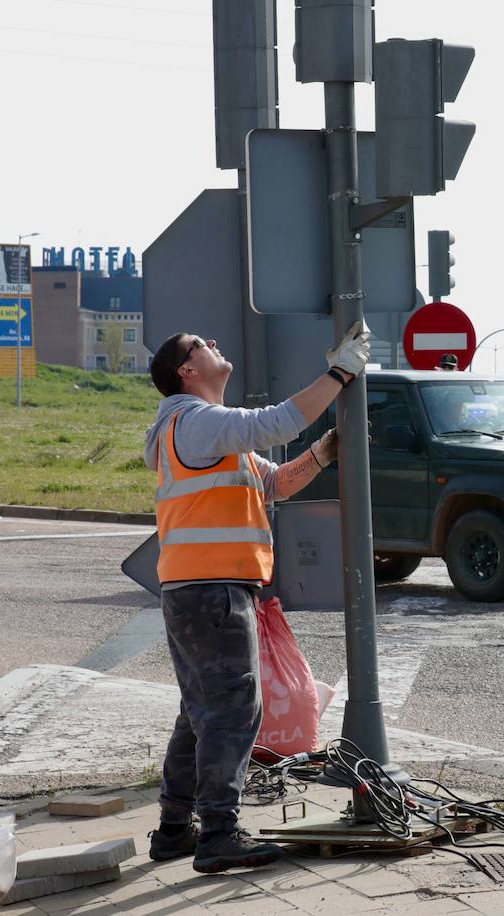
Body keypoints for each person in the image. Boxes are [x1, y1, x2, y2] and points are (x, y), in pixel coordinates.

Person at [142, 320, 370, 874]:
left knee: (198, 713)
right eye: (203, 344)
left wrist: (324, 450)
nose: (215, 343)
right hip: (212, 587)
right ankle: (219, 833)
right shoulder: (194, 420)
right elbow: (272, 424)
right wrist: (339, 372)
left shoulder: (206, 434)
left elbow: (277, 482)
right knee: (234, 709)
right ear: (187, 372)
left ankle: (175, 829)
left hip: (197, 586)